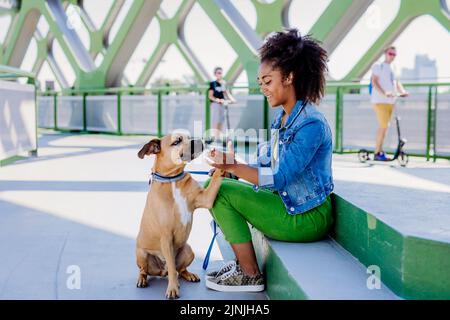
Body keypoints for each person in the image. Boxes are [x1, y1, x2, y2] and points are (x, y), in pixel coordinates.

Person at [203, 29, 334, 292]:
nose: (262, 88)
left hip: (307, 216)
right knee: (220, 184)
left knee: (220, 193)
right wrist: (233, 165)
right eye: (260, 82)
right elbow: (265, 165)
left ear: (289, 77)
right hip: (288, 203)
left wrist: (233, 166)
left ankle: (250, 274)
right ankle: (244, 267)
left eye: (267, 80)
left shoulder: (310, 124)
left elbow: (279, 177)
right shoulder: (282, 119)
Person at [370, 46, 408, 161]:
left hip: (391, 101)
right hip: (380, 101)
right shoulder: (378, 66)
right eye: (390, 53)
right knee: (383, 126)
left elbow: (397, 83)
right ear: (385, 53)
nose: (392, 56)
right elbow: (374, 81)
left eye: (394, 54)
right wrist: (384, 93)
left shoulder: (394, 67)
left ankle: (380, 151)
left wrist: (403, 92)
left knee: (385, 128)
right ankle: (377, 153)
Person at [208, 67, 236, 141]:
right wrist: (217, 100)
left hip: (222, 104)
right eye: (218, 73)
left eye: (221, 73)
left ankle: (218, 137)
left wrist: (232, 100)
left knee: (221, 120)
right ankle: (214, 137)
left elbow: (226, 93)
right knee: (215, 120)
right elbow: (210, 96)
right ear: (215, 74)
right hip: (215, 104)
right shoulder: (213, 84)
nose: (220, 74)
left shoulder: (223, 83)